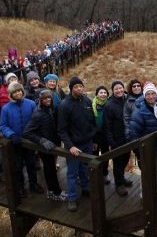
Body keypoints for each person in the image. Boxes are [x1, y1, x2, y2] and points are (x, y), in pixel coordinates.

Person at [57, 76, 96, 212]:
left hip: (87, 142)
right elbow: (61, 130)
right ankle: (72, 198)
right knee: (72, 173)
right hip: (73, 145)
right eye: (76, 87)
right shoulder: (65, 105)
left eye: (81, 86)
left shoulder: (86, 100)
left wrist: (93, 139)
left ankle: (85, 188)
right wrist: (70, 146)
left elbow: (91, 121)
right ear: (71, 89)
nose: (79, 89)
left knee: (85, 168)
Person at [0, 82, 43, 197]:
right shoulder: (6, 108)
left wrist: (35, 134)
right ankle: (21, 187)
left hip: (29, 141)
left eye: (19, 91)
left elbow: (37, 120)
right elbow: (3, 126)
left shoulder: (31, 104)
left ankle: (33, 183)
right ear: (11, 94)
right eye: (15, 92)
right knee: (18, 166)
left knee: (31, 164)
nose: (18, 93)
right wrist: (11, 134)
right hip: (15, 142)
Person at [23, 90, 67, 202]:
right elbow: (27, 132)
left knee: (51, 168)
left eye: (49, 98)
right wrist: (41, 140)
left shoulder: (51, 110)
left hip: (53, 145)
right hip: (44, 147)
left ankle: (52, 191)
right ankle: (55, 192)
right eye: (45, 99)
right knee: (49, 169)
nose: (48, 100)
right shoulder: (37, 114)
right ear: (40, 100)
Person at [127, 82, 157, 186]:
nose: (151, 96)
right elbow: (133, 133)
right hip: (146, 148)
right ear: (144, 96)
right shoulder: (139, 111)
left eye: (153, 93)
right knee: (147, 172)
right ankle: (145, 194)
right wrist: (138, 151)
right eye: (148, 94)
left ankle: (153, 191)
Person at [104, 81, 133, 196]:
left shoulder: (127, 99)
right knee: (117, 162)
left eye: (120, 88)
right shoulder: (109, 105)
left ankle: (122, 178)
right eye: (116, 89)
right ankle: (119, 184)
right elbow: (107, 125)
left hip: (127, 136)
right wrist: (111, 141)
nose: (119, 90)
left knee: (126, 158)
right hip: (117, 139)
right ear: (113, 90)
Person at [92, 85, 111, 185]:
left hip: (105, 136)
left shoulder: (109, 105)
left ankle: (104, 174)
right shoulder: (92, 105)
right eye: (101, 92)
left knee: (105, 155)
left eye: (105, 93)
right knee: (94, 156)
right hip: (95, 136)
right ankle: (95, 175)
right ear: (97, 94)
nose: (103, 94)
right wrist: (93, 139)